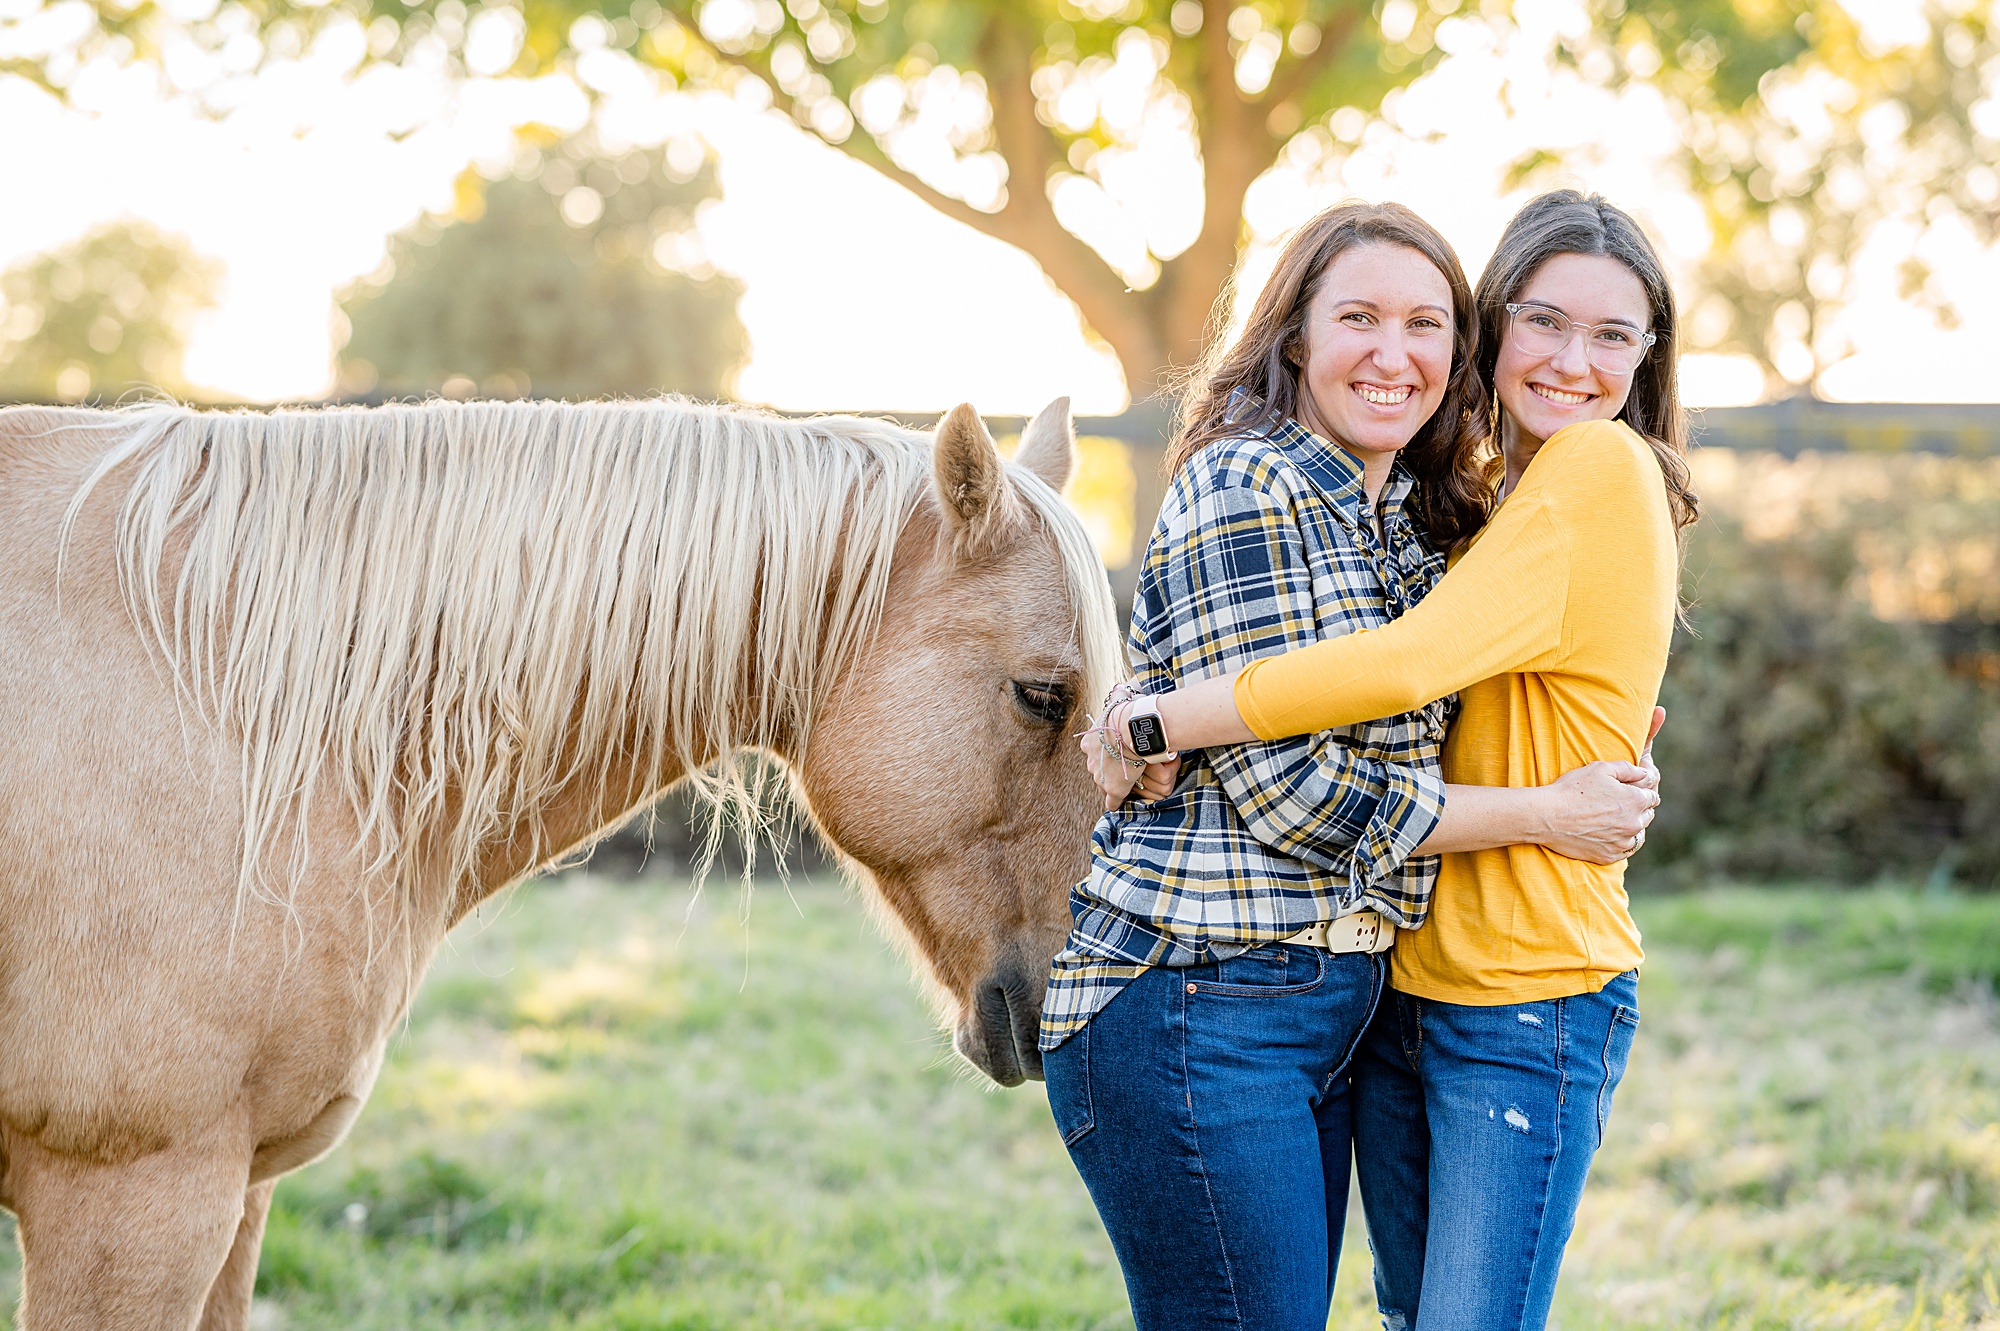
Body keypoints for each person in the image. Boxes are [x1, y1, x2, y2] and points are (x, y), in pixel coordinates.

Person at [1044, 199, 1660, 1331]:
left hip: (1397, 991)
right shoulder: (1295, 487)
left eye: (1424, 321)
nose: (1394, 351)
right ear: (1294, 336)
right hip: (1222, 993)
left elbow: (1413, 672)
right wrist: (1150, 712)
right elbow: (1297, 783)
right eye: (1359, 317)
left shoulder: (1457, 507)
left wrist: (1160, 711)